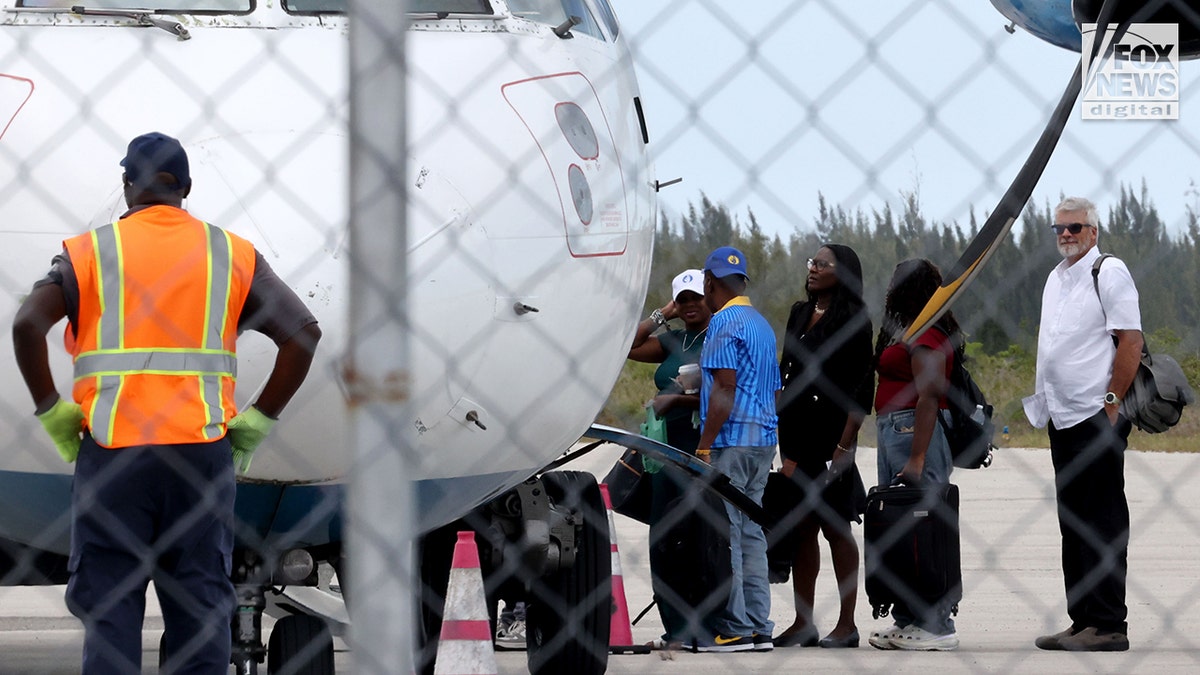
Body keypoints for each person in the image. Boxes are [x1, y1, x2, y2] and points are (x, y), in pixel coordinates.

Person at [11, 131, 322, 673]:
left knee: (110, 607)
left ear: (127, 185)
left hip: (114, 454)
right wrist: (258, 420)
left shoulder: (88, 252)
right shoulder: (232, 254)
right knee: (199, 606)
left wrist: (50, 409)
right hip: (200, 457)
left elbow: (25, 325)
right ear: (187, 188)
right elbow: (303, 336)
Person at [1023, 196, 1141, 652]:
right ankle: (1083, 619)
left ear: (1093, 232)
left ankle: (1110, 623)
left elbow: (1130, 339)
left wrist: (1111, 405)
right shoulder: (1056, 279)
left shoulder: (1107, 271)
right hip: (1063, 415)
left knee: (1102, 520)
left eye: (1075, 228)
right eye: (1059, 229)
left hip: (1095, 416)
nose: (1067, 235)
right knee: (1073, 522)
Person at [773, 244, 873, 649]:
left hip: (831, 437)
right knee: (801, 529)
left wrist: (845, 445)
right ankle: (803, 621)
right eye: (811, 263)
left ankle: (847, 624)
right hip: (795, 435)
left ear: (843, 273)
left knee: (836, 527)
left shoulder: (854, 319)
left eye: (822, 264)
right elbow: (786, 371)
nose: (813, 269)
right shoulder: (799, 312)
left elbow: (861, 387)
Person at [868, 258, 960, 651]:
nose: (889, 289)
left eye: (895, 281)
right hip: (893, 429)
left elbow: (929, 394)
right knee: (897, 524)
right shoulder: (906, 328)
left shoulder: (925, 331)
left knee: (923, 524)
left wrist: (918, 458)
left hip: (913, 430)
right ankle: (907, 617)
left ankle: (936, 622)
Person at [692, 246, 781, 653]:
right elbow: (774, 389)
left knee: (727, 535)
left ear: (710, 283)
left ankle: (736, 626)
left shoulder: (722, 323)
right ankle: (760, 623)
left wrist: (704, 445)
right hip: (763, 439)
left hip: (730, 440)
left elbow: (725, 388)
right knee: (751, 535)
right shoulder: (761, 325)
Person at [627, 268, 713, 649]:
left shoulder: (720, 335)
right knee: (663, 535)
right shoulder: (674, 338)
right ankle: (676, 628)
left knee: (699, 535)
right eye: (684, 299)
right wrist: (664, 313)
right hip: (664, 446)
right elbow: (628, 345)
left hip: (701, 441)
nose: (691, 305)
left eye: (696, 297)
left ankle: (707, 624)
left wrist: (679, 398)